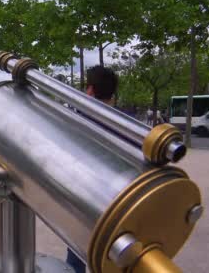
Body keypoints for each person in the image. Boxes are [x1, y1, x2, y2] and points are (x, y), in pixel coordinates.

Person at [65, 65, 119, 273]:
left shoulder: (77, 117)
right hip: (113, 197)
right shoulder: (122, 122)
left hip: (83, 194)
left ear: (89, 90)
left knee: (76, 253)